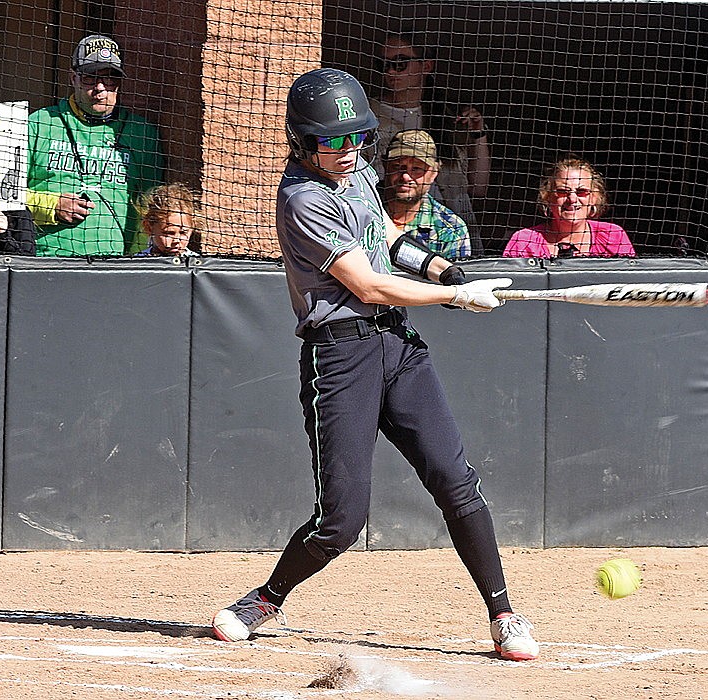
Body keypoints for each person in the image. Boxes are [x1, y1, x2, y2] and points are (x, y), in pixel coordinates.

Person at [210, 68, 540, 663]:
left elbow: (385, 239)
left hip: (397, 348)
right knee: (342, 520)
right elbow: (366, 283)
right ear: (303, 141)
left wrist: (443, 270)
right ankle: (265, 598)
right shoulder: (302, 199)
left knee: (455, 481)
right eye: (333, 141)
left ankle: (503, 614)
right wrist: (452, 299)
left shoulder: (357, 169)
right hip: (341, 355)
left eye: (356, 137)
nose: (348, 150)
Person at [26, 34, 164, 257]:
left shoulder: (143, 133)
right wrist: (51, 205)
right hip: (45, 259)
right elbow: (5, 197)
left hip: (116, 263)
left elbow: (152, 208)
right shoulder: (39, 124)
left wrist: (140, 262)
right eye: (90, 77)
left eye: (110, 79)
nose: (100, 88)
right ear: (73, 78)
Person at [369, 31, 489, 252]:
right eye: (383, 64)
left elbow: (479, 187)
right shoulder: (368, 116)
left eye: (400, 63)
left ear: (426, 66)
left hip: (452, 232)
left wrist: (477, 135)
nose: (390, 71)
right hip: (397, 228)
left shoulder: (448, 116)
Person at [503, 157, 636, 259]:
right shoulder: (524, 241)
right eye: (562, 192)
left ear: (594, 198)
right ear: (547, 197)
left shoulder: (613, 236)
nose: (572, 199)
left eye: (581, 192)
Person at [380, 129, 471, 260]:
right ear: (385, 165)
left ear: (434, 173)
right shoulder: (361, 206)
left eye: (416, 169)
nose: (405, 176)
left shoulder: (451, 229)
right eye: (397, 166)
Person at [133, 183, 200, 257]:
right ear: (149, 228)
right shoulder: (137, 263)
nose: (176, 240)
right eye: (169, 233)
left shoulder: (198, 263)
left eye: (183, 232)